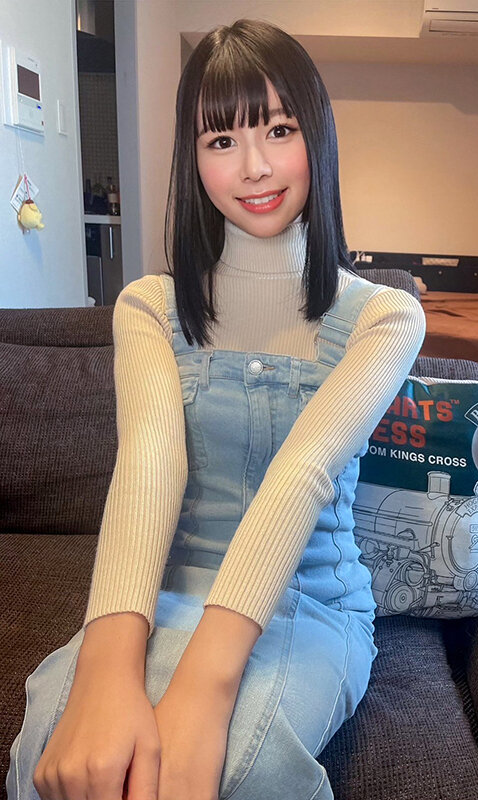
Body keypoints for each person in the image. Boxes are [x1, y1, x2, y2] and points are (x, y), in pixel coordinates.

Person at [6, 17, 426, 800]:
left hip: (309, 603)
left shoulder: (384, 316)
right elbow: (149, 465)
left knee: (240, 772)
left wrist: (204, 686)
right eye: (221, 139)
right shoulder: (148, 305)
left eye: (278, 129)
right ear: (192, 157)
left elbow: (303, 472)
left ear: (317, 136)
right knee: (49, 759)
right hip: (162, 590)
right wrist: (106, 668)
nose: (254, 165)